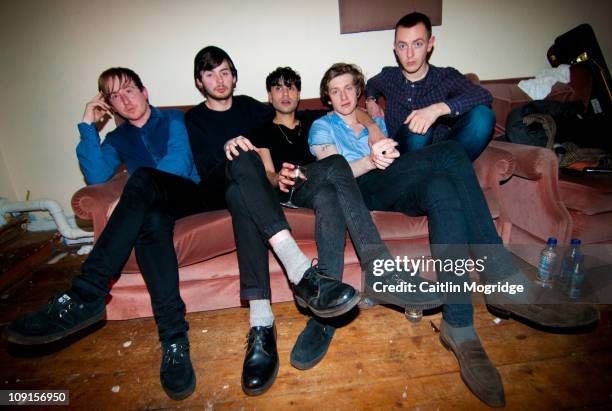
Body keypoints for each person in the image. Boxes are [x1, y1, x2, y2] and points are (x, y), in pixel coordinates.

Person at [309, 62, 599, 407]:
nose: (343, 96)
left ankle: (458, 324)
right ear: (327, 97)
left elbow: (389, 137)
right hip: (363, 187)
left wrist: (372, 123)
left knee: (443, 187)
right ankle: (501, 275)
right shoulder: (321, 126)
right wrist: (372, 159)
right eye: (335, 90)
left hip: (396, 182)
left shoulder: (375, 117)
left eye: (348, 88)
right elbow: (333, 173)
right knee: (449, 152)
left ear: (358, 90)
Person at [4, 68, 204, 400]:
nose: (125, 99)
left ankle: (86, 293)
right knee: (150, 222)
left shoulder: (172, 119)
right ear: (109, 106)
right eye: (115, 96)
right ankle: (174, 340)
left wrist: (145, 184)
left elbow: (180, 164)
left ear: (145, 91)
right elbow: (96, 174)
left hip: (187, 194)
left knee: (142, 180)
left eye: (129, 90)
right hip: (154, 206)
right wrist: (87, 125)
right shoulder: (116, 139)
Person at [253, 67, 441, 372]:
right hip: (289, 189)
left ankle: (325, 310)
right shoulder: (262, 128)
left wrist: (371, 117)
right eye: (278, 88)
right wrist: (281, 178)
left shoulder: (316, 119)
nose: (285, 94)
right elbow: (267, 174)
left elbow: (357, 111)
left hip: (319, 185)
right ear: (269, 95)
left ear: (301, 94)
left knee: (329, 192)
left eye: (291, 88)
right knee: (336, 162)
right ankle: (380, 268)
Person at [365, 12, 495, 160]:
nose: (410, 54)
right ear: (395, 48)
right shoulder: (389, 76)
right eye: (402, 46)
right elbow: (371, 84)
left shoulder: (445, 76)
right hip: (404, 160)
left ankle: (443, 173)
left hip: (443, 155)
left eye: (418, 44)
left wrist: (436, 110)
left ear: (430, 44)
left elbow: (484, 96)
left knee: (483, 115)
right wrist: (370, 100)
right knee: (420, 129)